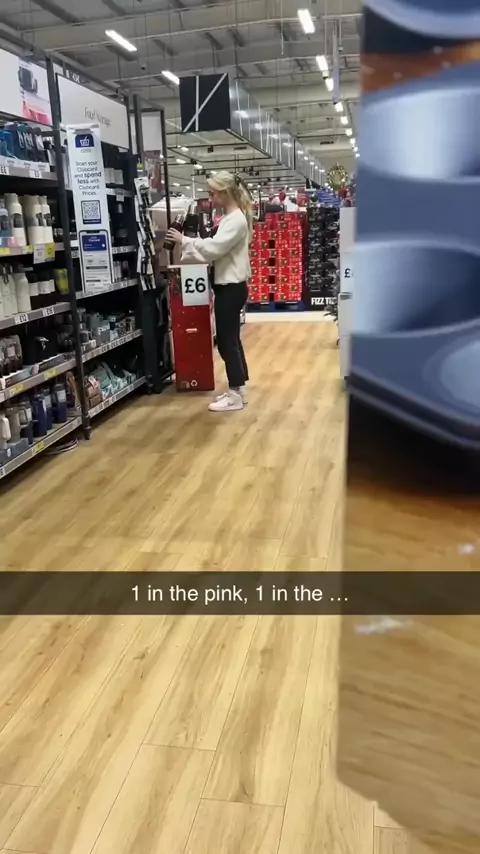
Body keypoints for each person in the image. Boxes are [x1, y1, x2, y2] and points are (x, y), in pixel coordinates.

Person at [166, 170, 252, 412]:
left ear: (225, 193)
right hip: (230, 287)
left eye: (213, 194)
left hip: (230, 288)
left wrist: (184, 240)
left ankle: (236, 394)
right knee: (231, 339)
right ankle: (239, 389)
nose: (211, 199)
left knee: (226, 342)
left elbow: (214, 248)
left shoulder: (235, 220)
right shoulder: (232, 218)